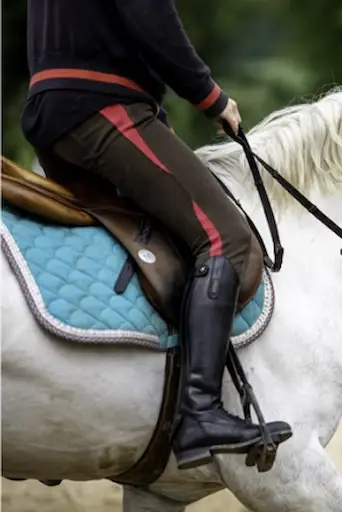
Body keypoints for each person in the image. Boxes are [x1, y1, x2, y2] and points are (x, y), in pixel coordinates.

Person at [21, 0, 286, 470]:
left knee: (157, 233)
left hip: (51, 104)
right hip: (101, 103)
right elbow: (150, 17)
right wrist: (211, 96)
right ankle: (200, 411)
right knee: (225, 239)